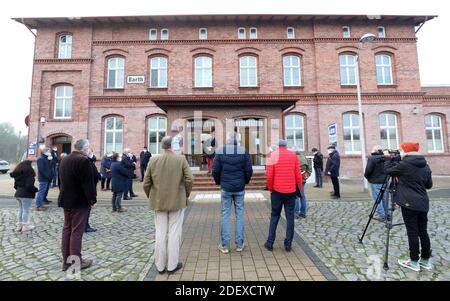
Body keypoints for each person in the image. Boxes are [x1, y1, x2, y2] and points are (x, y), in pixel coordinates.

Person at [143, 136, 194, 275]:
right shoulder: (180, 159)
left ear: (162, 146)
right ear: (173, 145)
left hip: (158, 202)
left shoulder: (153, 159)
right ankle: (172, 265)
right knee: (174, 233)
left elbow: (146, 182)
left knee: (160, 233)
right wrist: (186, 194)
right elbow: (190, 179)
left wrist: (151, 196)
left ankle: (160, 265)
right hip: (177, 201)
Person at [384, 141, 433, 272]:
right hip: (423, 203)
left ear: (406, 151)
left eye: (402, 149)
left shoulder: (404, 164)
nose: (400, 152)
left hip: (409, 203)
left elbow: (388, 171)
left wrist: (388, 159)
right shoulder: (425, 165)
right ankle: (425, 260)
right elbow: (429, 185)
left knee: (412, 232)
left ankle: (414, 262)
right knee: (423, 231)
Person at [58, 139, 96, 271]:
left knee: (67, 229)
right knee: (76, 231)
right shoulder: (83, 160)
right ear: (85, 148)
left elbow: (60, 181)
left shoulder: (65, 159)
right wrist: (92, 200)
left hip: (66, 199)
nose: (90, 149)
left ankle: (66, 261)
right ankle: (75, 261)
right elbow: (88, 183)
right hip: (79, 201)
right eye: (89, 147)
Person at [212, 132, 253, 253]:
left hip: (226, 187)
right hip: (239, 187)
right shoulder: (243, 151)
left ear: (228, 139)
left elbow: (215, 170)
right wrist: (245, 181)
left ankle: (224, 245)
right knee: (239, 215)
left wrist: (219, 182)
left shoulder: (220, 151)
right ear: (237, 140)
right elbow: (249, 170)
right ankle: (240, 244)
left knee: (225, 214)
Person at [264, 140, 302, 252]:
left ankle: (270, 242)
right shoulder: (293, 155)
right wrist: (298, 189)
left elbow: (269, 175)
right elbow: (298, 175)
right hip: (290, 191)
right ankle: (288, 244)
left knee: (275, 215)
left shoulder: (273, 155)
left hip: (277, 190)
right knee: (290, 217)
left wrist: (270, 188)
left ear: (278, 146)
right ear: (286, 146)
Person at [10, 160, 39, 232]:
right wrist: (36, 189)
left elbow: (15, 186)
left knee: (21, 210)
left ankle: (19, 226)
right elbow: (29, 186)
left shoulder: (18, 175)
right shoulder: (30, 175)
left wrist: (20, 190)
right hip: (26, 195)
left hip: (18, 194)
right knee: (26, 210)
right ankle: (25, 226)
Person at [364, 145, 389, 220]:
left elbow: (368, 170)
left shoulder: (372, 158)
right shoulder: (385, 158)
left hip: (375, 181)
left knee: (377, 199)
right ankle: (387, 213)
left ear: (375, 151)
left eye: (372, 149)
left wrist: (366, 176)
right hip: (384, 181)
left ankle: (382, 214)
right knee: (385, 198)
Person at [85, 149, 101, 233]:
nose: (92, 155)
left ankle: (84, 225)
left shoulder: (89, 162)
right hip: (89, 190)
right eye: (90, 153)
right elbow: (95, 175)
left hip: (86, 189)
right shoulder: (88, 163)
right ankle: (85, 226)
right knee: (86, 209)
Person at [35, 147, 54, 211]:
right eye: (48, 151)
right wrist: (48, 176)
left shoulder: (47, 158)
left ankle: (41, 204)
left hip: (48, 178)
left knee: (44, 192)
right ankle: (38, 206)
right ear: (44, 152)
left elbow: (50, 168)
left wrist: (50, 160)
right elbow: (42, 170)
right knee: (41, 192)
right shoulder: (41, 159)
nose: (49, 153)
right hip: (44, 179)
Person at [294, 151, 311, 219]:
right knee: (302, 196)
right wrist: (307, 175)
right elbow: (309, 169)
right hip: (303, 179)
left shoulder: (294, 158)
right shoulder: (305, 158)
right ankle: (303, 212)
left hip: (296, 179)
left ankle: (296, 212)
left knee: (296, 196)